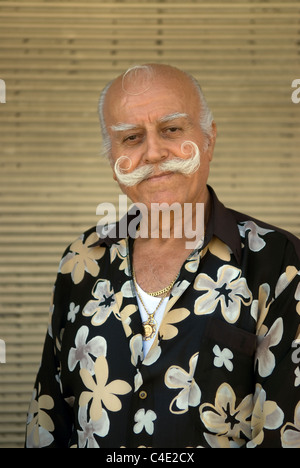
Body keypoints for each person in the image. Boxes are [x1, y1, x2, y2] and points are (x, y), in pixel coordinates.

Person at [25, 64, 300, 448]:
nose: (153, 152)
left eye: (172, 129)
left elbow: (286, 432)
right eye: (132, 137)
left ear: (210, 138)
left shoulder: (279, 260)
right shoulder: (80, 260)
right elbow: (49, 412)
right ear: (112, 160)